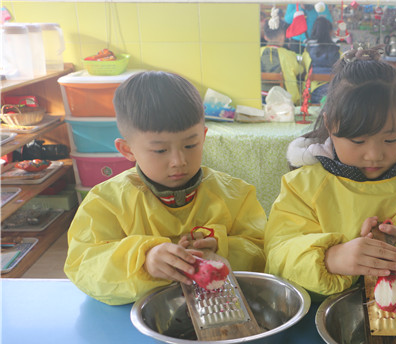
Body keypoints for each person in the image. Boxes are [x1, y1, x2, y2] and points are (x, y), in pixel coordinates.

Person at [265, 48, 396, 299]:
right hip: (323, 310)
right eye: (358, 141)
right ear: (330, 125)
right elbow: (277, 254)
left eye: (391, 139)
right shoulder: (304, 185)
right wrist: (331, 258)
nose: (374, 155)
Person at [64, 71, 266, 305]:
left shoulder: (236, 194)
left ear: (203, 136)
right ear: (127, 149)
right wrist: (144, 260)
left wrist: (223, 247)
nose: (179, 161)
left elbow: (262, 250)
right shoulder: (106, 201)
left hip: (221, 305)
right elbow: (83, 265)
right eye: (160, 150)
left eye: (191, 145)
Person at [261, 7, 304, 104]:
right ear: (282, 37)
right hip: (282, 100)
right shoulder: (288, 55)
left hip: (259, 97)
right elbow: (299, 70)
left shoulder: (257, 53)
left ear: (265, 37)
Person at [301, 16, 340, 104]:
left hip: (312, 91)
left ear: (314, 30)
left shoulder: (308, 50)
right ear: (330, 32)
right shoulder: (336, 50)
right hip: (333, 90)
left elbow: (303, 68)